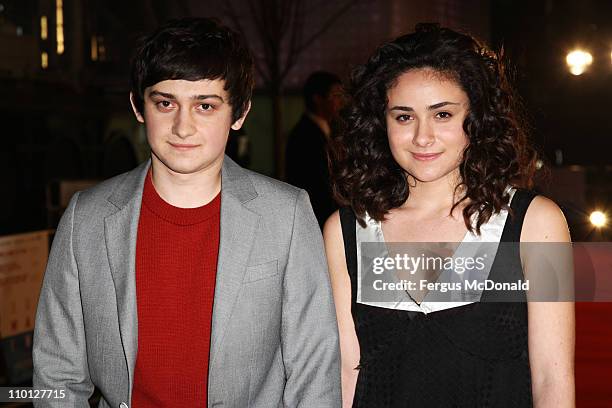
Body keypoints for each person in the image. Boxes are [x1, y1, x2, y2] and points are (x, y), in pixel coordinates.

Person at [33, 18, 341, 408]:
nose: (182, 126)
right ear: (138, 106)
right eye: (165, 103)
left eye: (205, 106)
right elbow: (57, 372)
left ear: (240, 113)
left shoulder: (287, 215)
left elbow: (315, 368)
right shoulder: (86, 217)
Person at [324, 24, 574, 407]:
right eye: (404, 117)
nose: (423, 137)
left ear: (477, 118)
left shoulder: (535, 223)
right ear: (381, 124)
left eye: (442, 114)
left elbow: (552, 378)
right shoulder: (348, 230)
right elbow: (344, 373)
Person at [286, 71, 344, 228]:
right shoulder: (305, 135)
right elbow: (315, 184)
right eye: (335, 96)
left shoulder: (328, 130)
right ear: (318, 99)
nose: (340, 102)